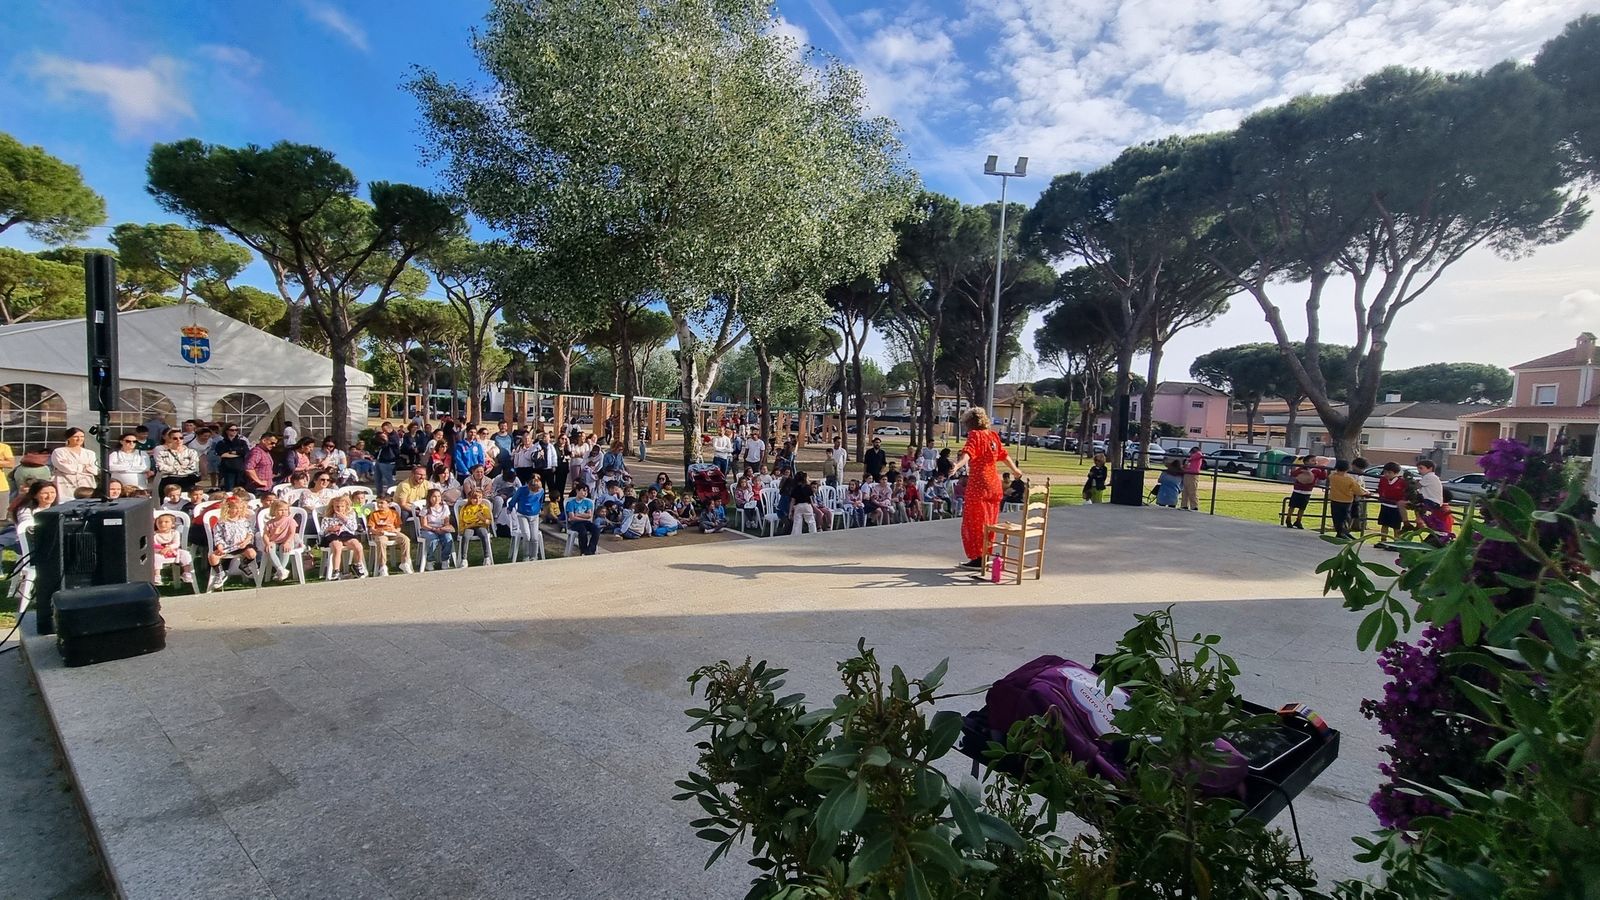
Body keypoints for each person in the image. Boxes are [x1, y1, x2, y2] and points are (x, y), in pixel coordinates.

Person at [948, 407, 1025, 569]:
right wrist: (1015, 471)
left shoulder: (975, 435)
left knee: (974, 522)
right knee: (989, 521)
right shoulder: (993, 436)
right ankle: (986, 554)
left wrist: (957, 466)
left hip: (979, 484)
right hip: (994, 484)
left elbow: (968, 453)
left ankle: (978, 558)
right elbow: (1003, 455)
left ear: (970, 423)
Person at [206, 496, 259, 589]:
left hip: (242, 545)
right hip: (227, 546)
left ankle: (244, 564)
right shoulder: (222, 522)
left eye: (239, 508)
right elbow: (218, 536)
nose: (237, 510)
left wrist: (246, 542)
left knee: (252, 553)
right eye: (235, 508)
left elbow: (250, 532)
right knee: (212, 557)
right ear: (228, 509)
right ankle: (220, 573)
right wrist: (220, 546)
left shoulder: (244, 521)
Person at [366, 497, 413, 575]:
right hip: (381, 533)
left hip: (392, 532)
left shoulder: (394, 513)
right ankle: (382, 566)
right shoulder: (374, 514)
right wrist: (377, 531)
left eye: (382, 503)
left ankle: (404, 563)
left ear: (388, 504)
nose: (379, 505)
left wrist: (396, 530)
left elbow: (398, 527)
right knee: (381, 542)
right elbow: (371, 529)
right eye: (378, 503)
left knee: (405, 539)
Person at [152, 512, 197, 589]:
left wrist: (169, 548)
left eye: (166, 522)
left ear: (172, 524)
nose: (162, 524)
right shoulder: (155, 535)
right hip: (160, 553)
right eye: (159, 522)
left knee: (185, 554)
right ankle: (157, 575)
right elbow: (154, 545)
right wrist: (161, 550)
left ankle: (186, 573)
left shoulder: (174, 533)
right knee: (155, 558)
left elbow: (176, 543)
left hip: (174, 552)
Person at [49, 427, 98, 497]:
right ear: (68, 438)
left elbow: (94, 470)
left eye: (82, 437)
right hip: (65, 482)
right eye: (75, 437)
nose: (79, 439)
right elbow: (64, 468)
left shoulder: (90, 453)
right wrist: (84, 467)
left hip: (86, 483)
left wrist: (74, 466)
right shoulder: (59, 451)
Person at [1327, 459, 1368, 540]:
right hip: (1346, 501)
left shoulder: (1332, 476)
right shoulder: (1349, 479)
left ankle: (1341, 532)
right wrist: (1365, 493)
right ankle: (1344, 533)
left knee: (1337, 517)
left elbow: (1332, 474)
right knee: (1346, 518)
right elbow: (1357, 490)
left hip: (1335, 499)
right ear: (1347, 468)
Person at [260, 500, 300, 581]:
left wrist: (287, 542)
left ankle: (279, 572)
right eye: (281, 510)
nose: (283, 512)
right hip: (274, 541)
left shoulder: (290, 521)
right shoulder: (270, 523)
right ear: (274, 511)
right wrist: (267, 543)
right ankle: (281, 570)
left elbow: (292, 533)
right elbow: (265, 535)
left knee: (284, 548)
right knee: (270, 549)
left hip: (287, 541)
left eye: (285, 510)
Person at [418, 488, 457, 570]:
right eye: (434, 497)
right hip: (428, 529)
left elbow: (446, 522)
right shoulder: (426, 509)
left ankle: (445, 559)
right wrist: (434, 529)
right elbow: (424, 524)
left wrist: (444, 528)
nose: (437, 499)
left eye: (439, 496)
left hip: (441, 528)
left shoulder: (445, 507)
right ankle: (430, 560)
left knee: (448, 538)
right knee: (433, 539)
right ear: (429, 498)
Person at [155, 429, 202, 494]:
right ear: (170, 439)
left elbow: (193, 468)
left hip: (187, 481)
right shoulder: (162, 453)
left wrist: (172, 469)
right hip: (168, 481)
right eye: (175, 438)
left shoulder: (192, 452)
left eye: (181, 438)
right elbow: (160, 468)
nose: (178, 440)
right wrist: (181, 468)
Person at [458, 488, 495, 563]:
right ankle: (464, 559)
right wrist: (461, 530)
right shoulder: (465, 508)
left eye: (480, 498)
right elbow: (461, 520)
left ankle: (487, 557)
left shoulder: (484, 508)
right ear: (470, 499)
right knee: (466, 536)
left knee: (484, 534)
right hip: (469, 526)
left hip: (480, 526)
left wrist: (483, 519)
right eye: (475, 498)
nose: (477, 500)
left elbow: (489, 521)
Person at [1285, 456, 1322, 530]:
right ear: (1306, 462)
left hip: (1307, 492)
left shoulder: (1316, 470)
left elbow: (1323, 477)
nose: (1315, 462)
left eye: (1315, 460)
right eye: (1312, 460)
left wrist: (1323, 469)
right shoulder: (1301, 469)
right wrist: (1301, 471)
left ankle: (1298, 521)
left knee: (1302, 508)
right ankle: (1288, 519)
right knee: (1292, 506)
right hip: (1297, 490)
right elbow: (1293, 474)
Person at [1376, 463, 1408, 543]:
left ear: (1396, 473)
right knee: (1384, 524)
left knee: (1396, 526)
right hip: (1385, 505)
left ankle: (1396, 542)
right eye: (1385, 472)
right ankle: (1383, 541)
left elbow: (1406, 494)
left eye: (1389, 472)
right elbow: (1380, 489)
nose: (1386, 474)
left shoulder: (1402, 482)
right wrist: (1381, 496)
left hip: (1396, 507)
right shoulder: (1383, 480)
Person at [564, 483, 600, 556]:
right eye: (583, 491)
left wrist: (578, 515)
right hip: (575, 523)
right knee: (582, 531)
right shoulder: (571, 503)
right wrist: (582, 516)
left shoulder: (588, 502)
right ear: (577, 491)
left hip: (586, 522)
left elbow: (589, 515)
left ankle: (590, 550)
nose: (585, 493)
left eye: (586, 491)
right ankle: (583, 550)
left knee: (596, 529)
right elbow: (572, 518)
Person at [214, 425, 250, 491]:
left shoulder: (242, 442)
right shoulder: (221, 443)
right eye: (232, 430)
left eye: (236, 430)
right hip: (227, 470)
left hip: (240, 469)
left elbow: (246, 452)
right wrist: (238, 454)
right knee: (229, 490)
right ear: (226, 431)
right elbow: (222, 454)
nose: (234, 431)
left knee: (241, 490)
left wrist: (230, 452)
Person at [788, 468, 817, 536]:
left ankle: (796, 535)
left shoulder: (795, 488)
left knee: (797, 522)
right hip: (807, 505)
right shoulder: (808, 487)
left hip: (798, 506)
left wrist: (790, 511)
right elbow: (810, 498)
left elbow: (792, 501)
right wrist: (813, 506)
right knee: (811, 521)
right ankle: (814, 534)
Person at [1182, 447, 1204, 511]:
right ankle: (1184, 505)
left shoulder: (1198, 455)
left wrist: (1190, 458)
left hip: (1193, 474)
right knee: (1185, 490)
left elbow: (1199, 454)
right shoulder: (1190, 458)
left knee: (1192, 490)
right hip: (1187, 473)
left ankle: (1194, 506)